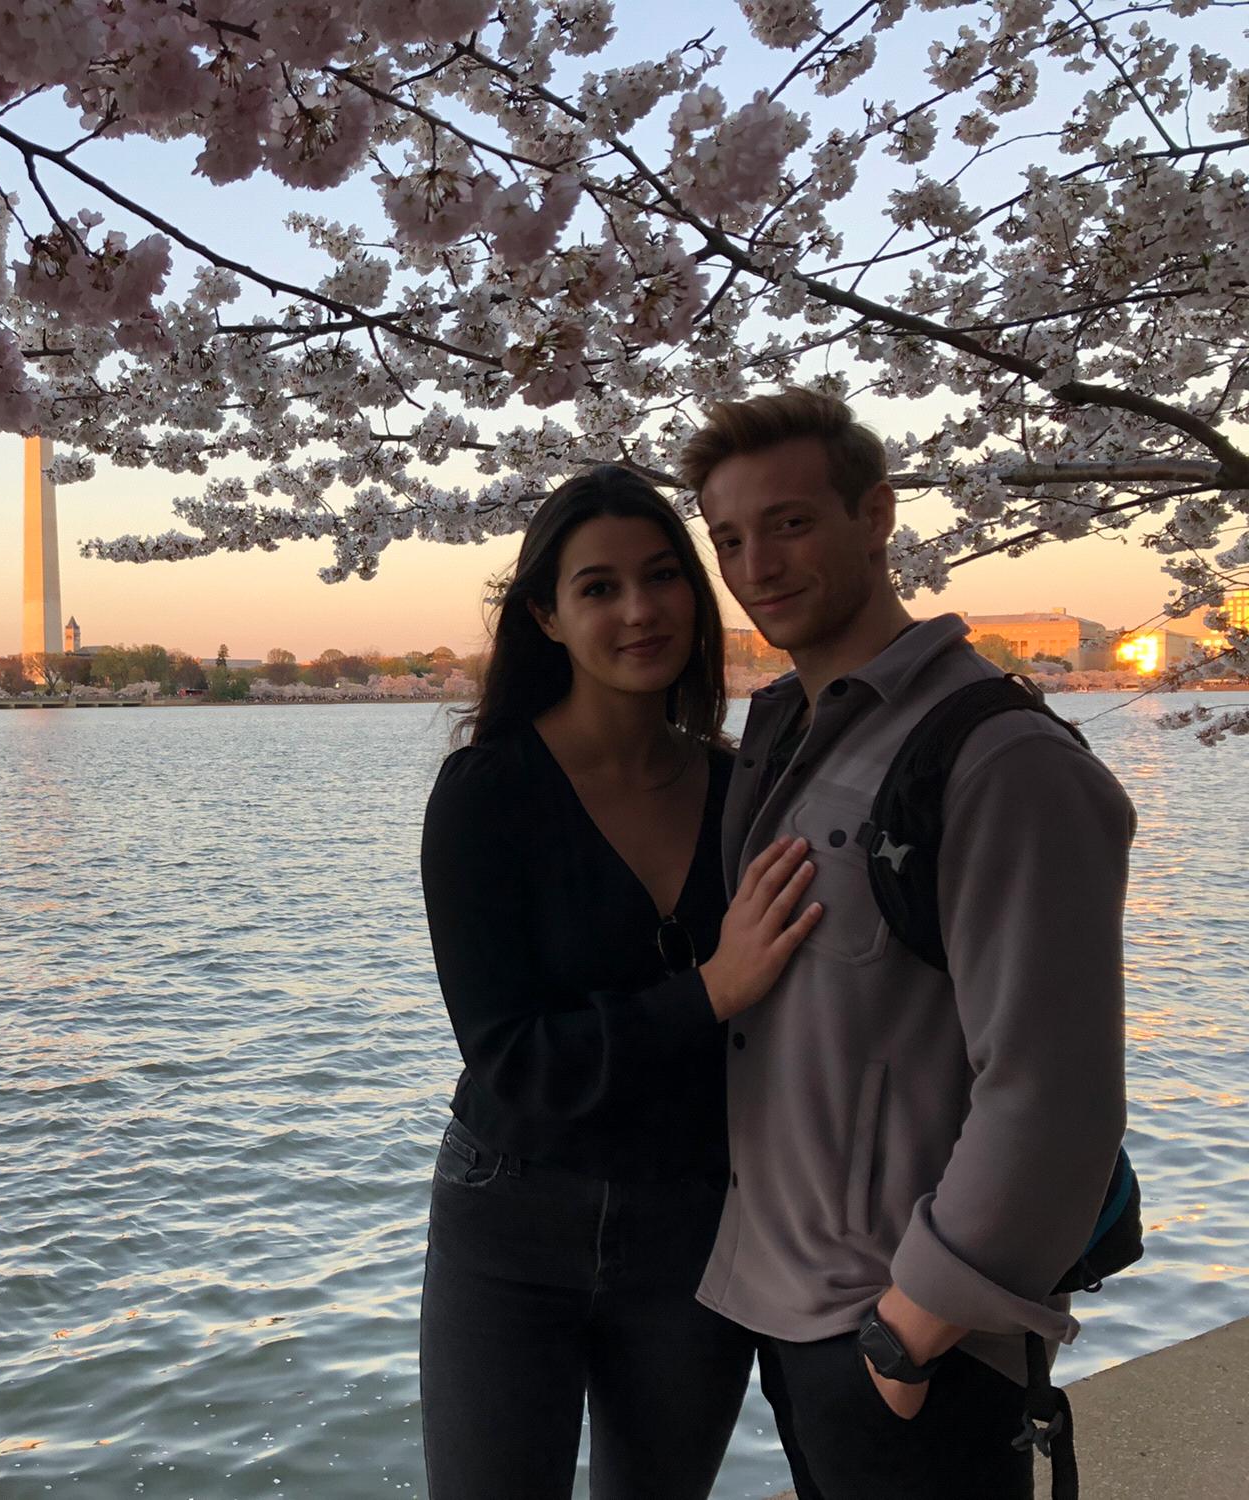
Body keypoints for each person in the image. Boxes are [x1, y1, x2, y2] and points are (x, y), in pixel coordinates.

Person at [683, 389, 1134, 1500]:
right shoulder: (783, 727)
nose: (756, 567)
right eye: (728, 540)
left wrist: (906, 1330)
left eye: (787, 523)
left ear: (875, 515)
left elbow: (1054, 1089)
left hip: (902, 1334)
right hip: (781, 1305)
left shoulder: (995, 757)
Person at [418, 464, 823, 1499]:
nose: (638, 612)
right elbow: (509, 1060)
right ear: (546, 618)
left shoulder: (746, 793)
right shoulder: (486, 794)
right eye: (597, 588)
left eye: (660, 578)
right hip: (511, 1217)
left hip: (694, 1223)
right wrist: (707, 991)